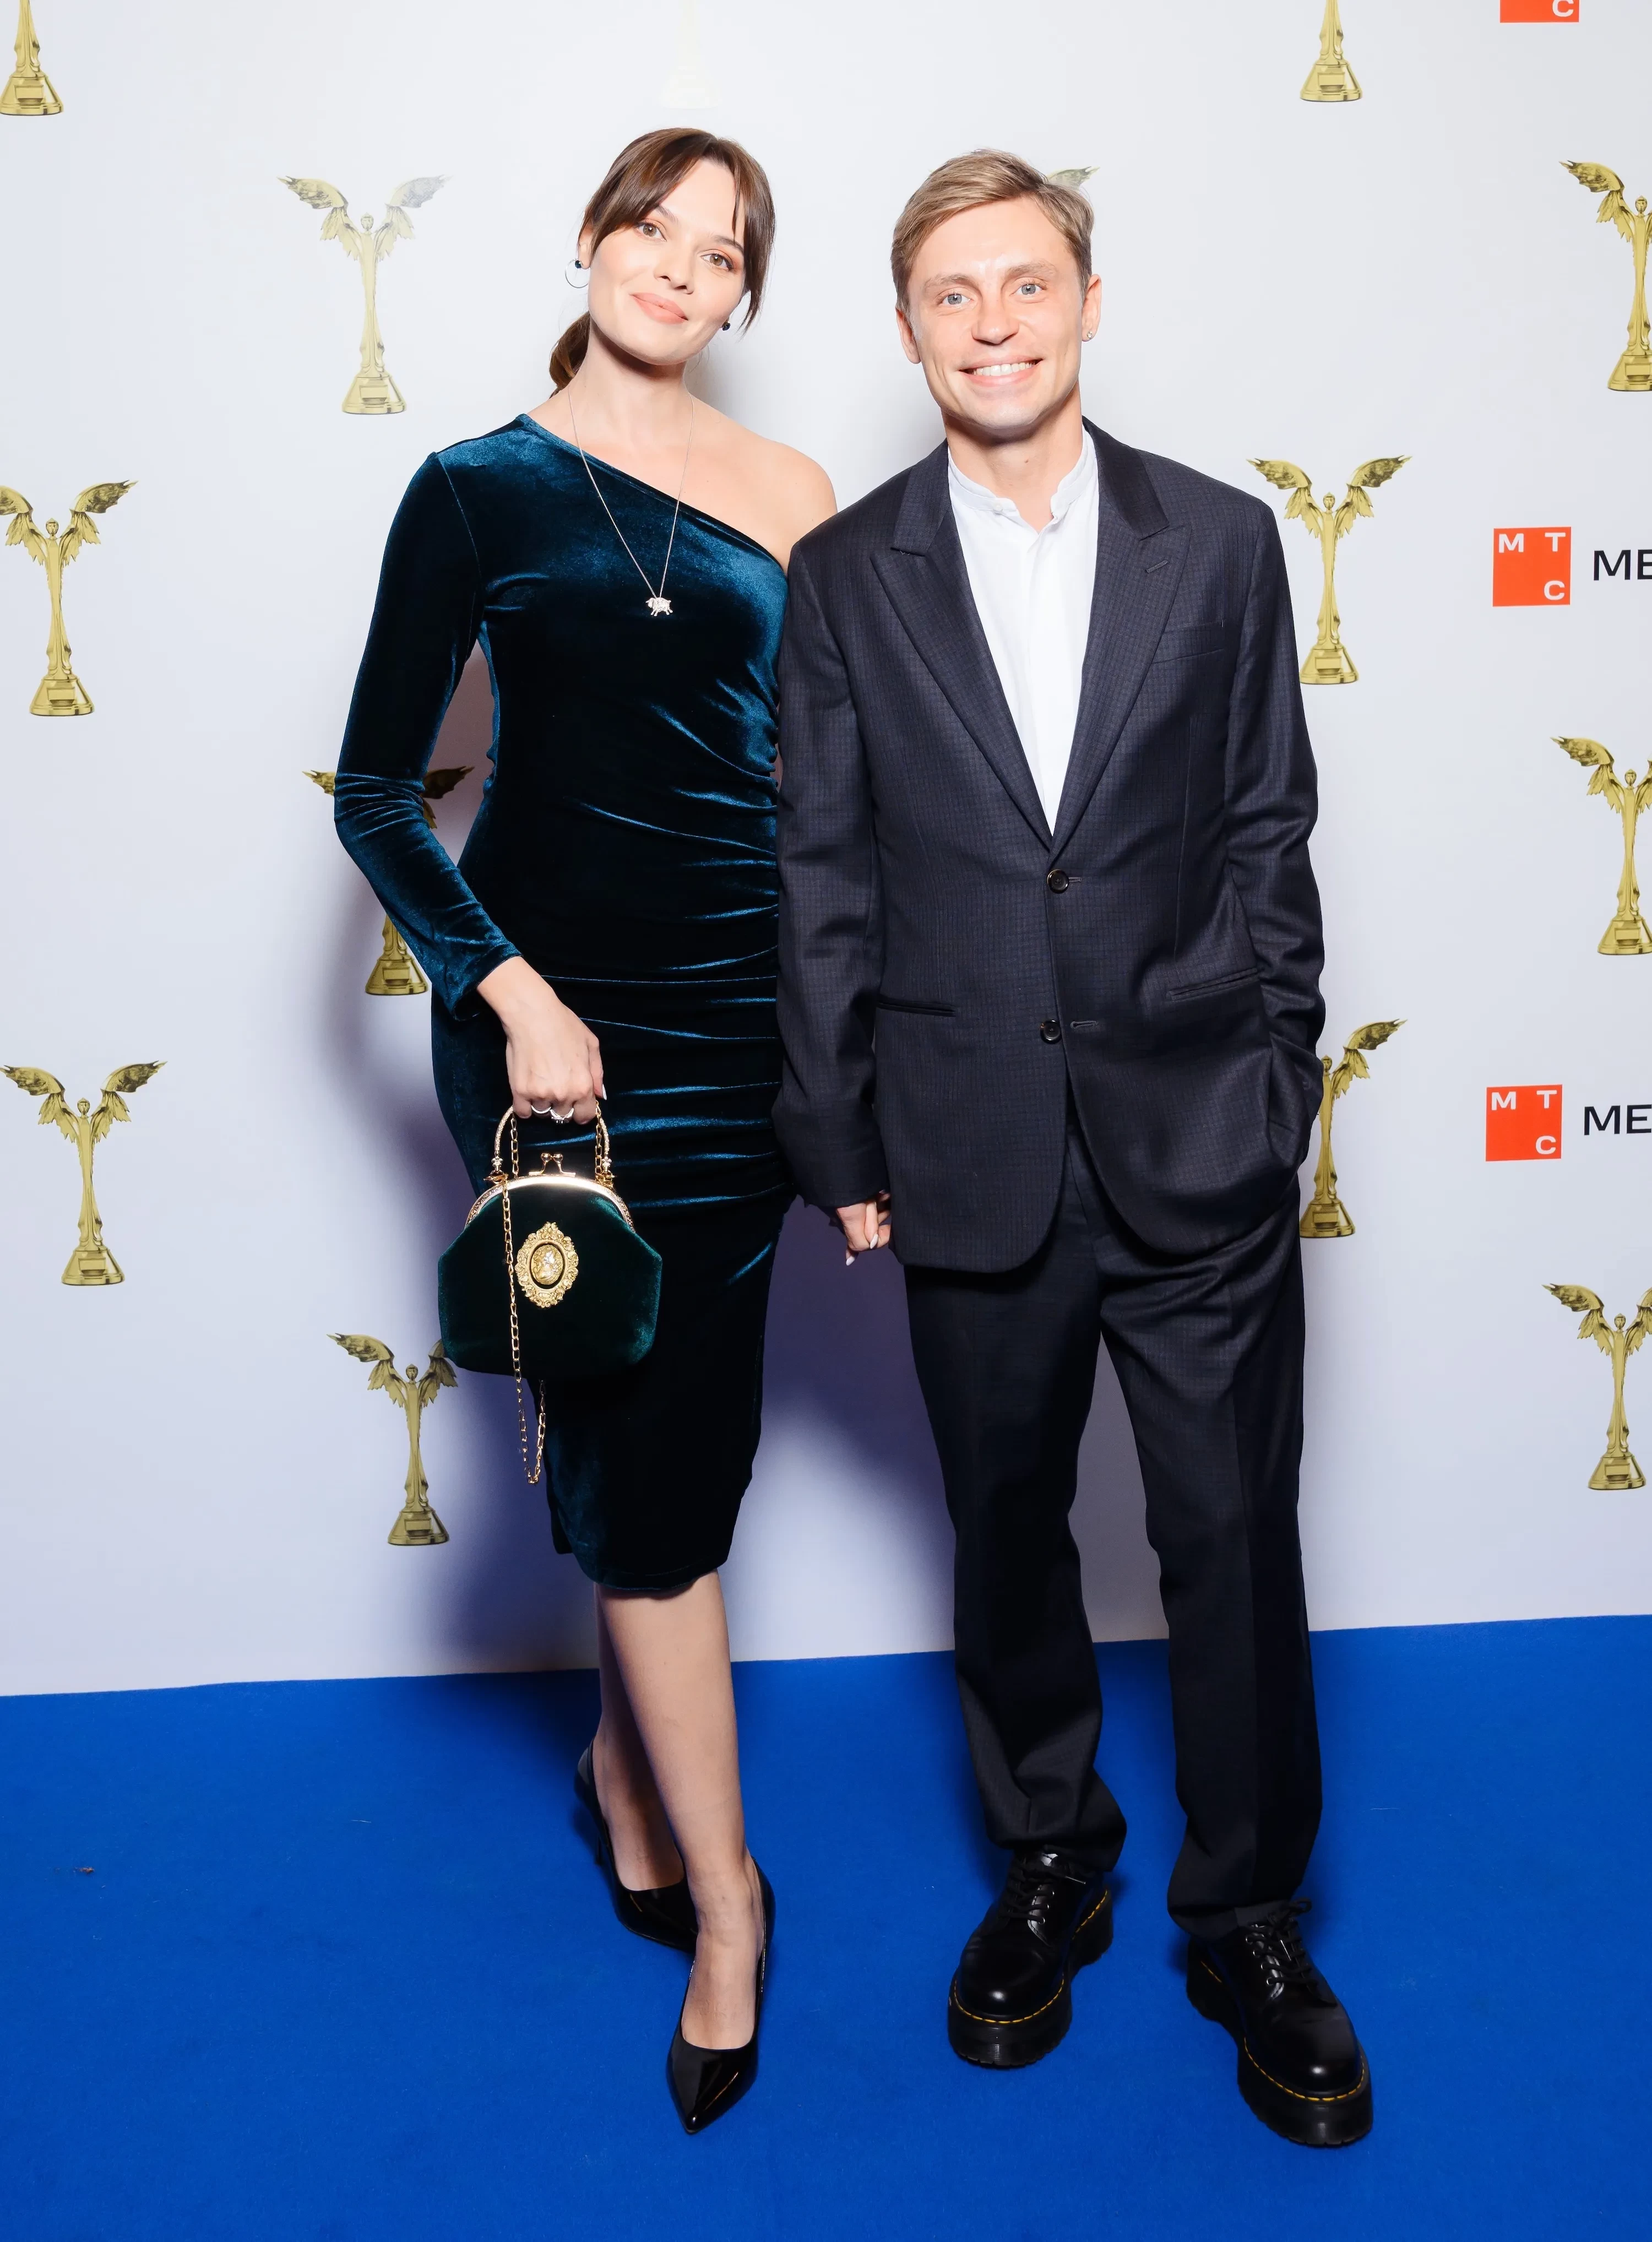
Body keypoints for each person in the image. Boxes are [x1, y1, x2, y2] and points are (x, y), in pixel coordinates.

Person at [774, 150, 1371, 2147]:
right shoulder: (846, 575)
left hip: (1200, 1133)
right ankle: (1053, 1854)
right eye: (952, 293)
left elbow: (1269, 826)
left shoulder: (1225, 542)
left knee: (1232, 1537)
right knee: (1007, 1529)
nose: (995, 322)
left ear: (1090, 302)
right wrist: (838, 1124)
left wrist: (1278, 1074)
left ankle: (1251, 1913)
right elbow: (823, 870)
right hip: (964, 1142)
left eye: (1027, 282)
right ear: (909, 330)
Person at [333, 128, 834, 2134]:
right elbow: (380, 791)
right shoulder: (476, 490)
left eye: (722, 253)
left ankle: (626, 1774)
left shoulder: (794, 492)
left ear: (741, 297)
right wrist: (511, 991)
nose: (679, 268)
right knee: (639, 1477)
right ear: (593, 240)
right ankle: (730, 1907)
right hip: (553, 1045)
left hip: (744, 1038)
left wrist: (859, 1067)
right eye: (655, 227)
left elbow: (832, 804)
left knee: (684, 1445)